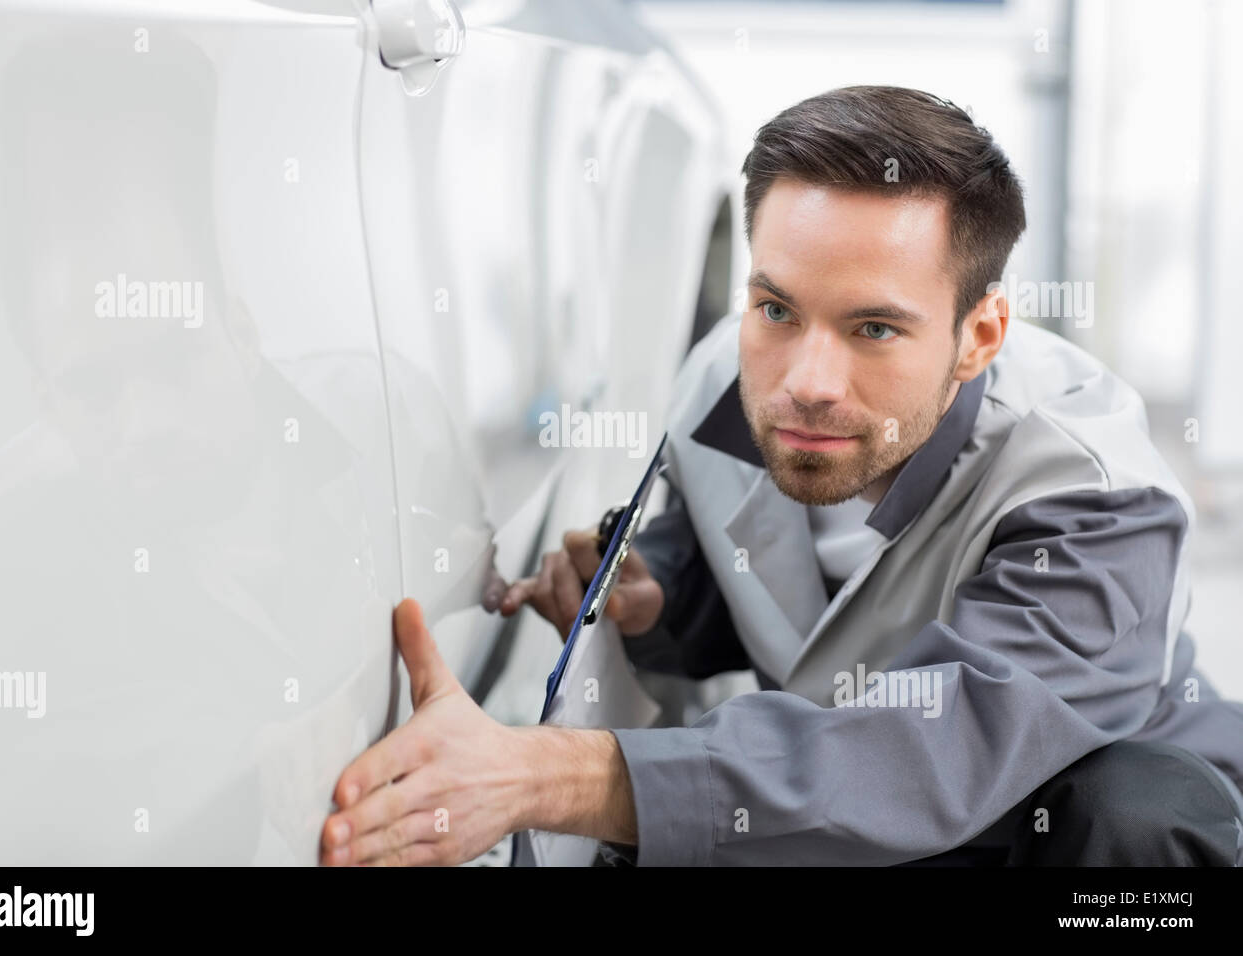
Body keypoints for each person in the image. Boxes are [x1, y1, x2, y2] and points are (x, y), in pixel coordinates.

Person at [318, 85, 1243, 867]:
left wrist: (544, 774)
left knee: (1137, 818)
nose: (806, 382)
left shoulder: (1094, 492)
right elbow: (753, 574)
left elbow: (936, 754)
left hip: (1053, 821)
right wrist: (658, 604)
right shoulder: (726, 375)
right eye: (776, 308)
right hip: (851, 802)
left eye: (874, 328)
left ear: (980, 336)